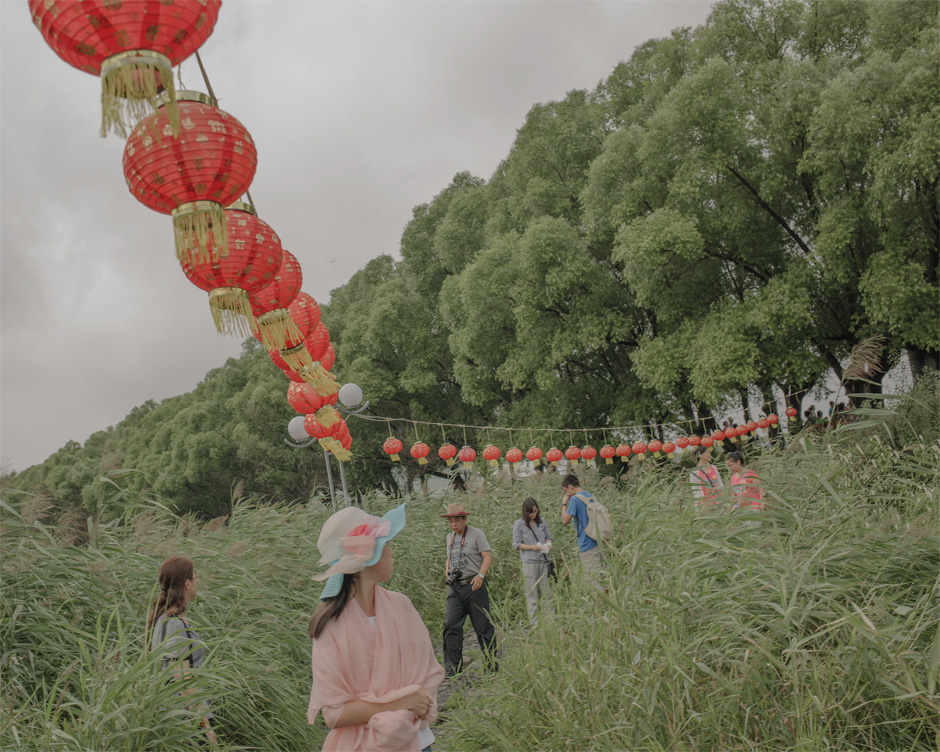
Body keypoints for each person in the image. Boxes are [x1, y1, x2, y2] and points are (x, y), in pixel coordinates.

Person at [307, 503, 444, 752]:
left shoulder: (401, 606)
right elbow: (334, 714)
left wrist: (407, 708)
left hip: (418, 741)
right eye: (385, 544)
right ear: (366, 556)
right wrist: (403, 703)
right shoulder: (330, 626)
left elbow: (428, 673)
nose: (391, 551)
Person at [147, 556, 216, 746]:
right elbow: (183, 680)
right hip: (186, 720)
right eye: (195, 578)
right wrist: (205, 727)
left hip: (181, 717)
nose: (196, 582)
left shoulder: (166, 620)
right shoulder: (174, 624)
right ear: (187, 584)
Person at [440, 502, 496, 677]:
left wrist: (481, 576)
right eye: (450, 521)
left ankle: (491, 665)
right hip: (456, 587)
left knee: (482, 626)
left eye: (456, 520)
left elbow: (487, 556)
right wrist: (447, 570)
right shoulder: (450, 537)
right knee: (450, 624)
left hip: (474, 584)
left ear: (464, 519)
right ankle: (453, 667)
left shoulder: (476, 534)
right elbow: (449, 558)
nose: (453, 524)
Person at [560, 474, 607, 589]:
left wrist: (564, 503)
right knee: (604, 581)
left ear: (570, 487)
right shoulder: (590, 496)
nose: (566, 493)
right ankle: (609, 600)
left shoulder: (575, 499)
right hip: (598, 541)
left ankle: (597, 601)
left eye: (566, 490)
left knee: (594, 583)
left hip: (586, 544)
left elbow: (565, 520)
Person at [511, 497, 554, 626]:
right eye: (531, 512)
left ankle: (550, 622)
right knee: (532, 595)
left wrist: (548, 544)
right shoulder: (519, 524)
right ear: (525, 512)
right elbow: (516, 544)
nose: (533, 514)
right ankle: (535, 625)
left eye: (535, 511)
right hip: (529, 563)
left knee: (547, 593)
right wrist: (532, 547)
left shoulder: (542, 522)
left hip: (543, 561)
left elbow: (548, 537)